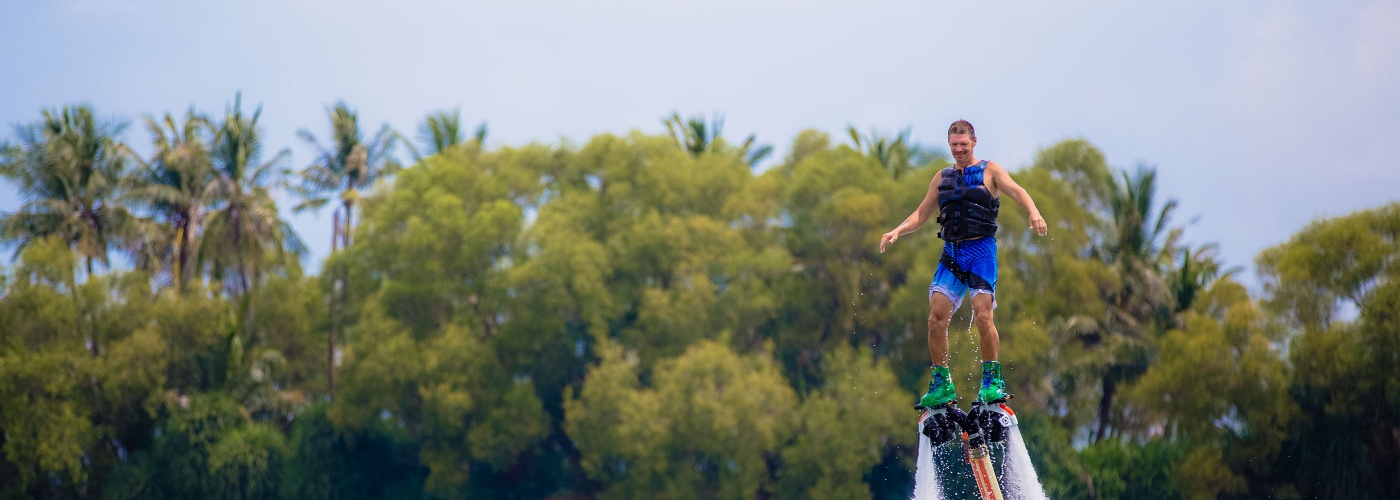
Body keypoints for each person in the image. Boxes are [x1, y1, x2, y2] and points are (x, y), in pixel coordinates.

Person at [879, 119, 1047, 410]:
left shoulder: (990, 170)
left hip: (981, 251)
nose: (958, 149)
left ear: (974, 142)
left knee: (983, 315)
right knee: (935, 317)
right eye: (954, 145)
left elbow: (1017, 191)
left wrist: (1034, 212)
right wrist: (896, 230)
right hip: (952, 253)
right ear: (949, 144)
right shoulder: (942, 177)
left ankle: (992, 380)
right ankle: (941, 383)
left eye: (963, 144)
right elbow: (920, 214)